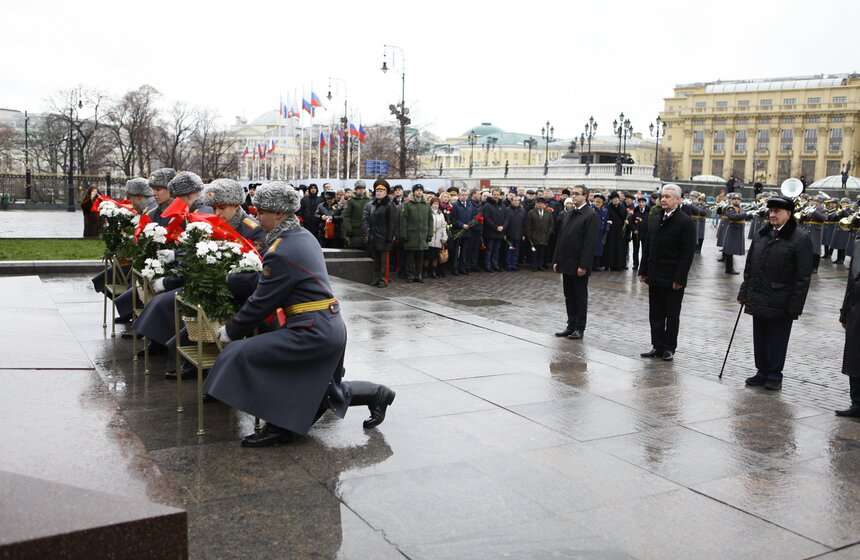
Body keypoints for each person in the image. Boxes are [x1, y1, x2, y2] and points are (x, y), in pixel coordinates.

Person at [204, 182, 396, 447]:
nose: (257, 217)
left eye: (262, 212)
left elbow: (262, 300)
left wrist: (231, 330)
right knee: (321, 391)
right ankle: (376, 394)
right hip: (324, 324)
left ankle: (280, 426)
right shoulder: (300, 236)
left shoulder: (282, 248)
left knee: (240, 353)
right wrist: (234, 281)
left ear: (279, 214)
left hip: (311, 330)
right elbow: (274, 279)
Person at [737, 195, 813, 391]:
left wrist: (795, 305)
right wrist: (744, 291)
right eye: (770, 211)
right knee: (760, 338)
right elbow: (750, 266)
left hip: (781, 299)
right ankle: (761, 371)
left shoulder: (800, 238)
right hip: (758, 295)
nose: (772, 215)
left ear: (788, 213)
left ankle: (774, 374)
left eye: (777, 211)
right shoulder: (762, 234)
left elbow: (803, 276)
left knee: (777, 340)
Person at [638, 184, 697, 361]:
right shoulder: (655, 219)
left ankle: (669, 347)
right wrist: (643, 269)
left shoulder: (685, 222)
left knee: (671, 315)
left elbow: (687, 255)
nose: (663, 199)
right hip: (655, 275)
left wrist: (679, 278)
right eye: (662, 196)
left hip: (672, 278)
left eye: (668, 197)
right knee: (655, 314)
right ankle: (656, 345)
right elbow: (647, 247)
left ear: (678, 200)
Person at [552, 185, 600, 340]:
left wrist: (583, 265)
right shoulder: (569, 213)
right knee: (569, 296)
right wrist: (556, 259)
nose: (573, 196)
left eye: (577, 194)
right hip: (566, 262)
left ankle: (579, 328)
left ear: (585, 196)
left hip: (579, 264)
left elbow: (589, 243)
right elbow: (561, 238)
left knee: (580, 296)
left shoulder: (590, 215)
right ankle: (570, 325)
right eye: (572, 194)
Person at [836, 229, 860, 416]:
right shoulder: (858, 241)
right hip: (856, 309)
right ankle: (857, 403)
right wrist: (844, 312)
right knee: (855, 356)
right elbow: (852, 281)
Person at [363, 180, 399, 288]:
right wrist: (367, 234)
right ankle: (376, 278)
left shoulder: (389, 205)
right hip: (374, 237)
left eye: (381, 191)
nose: (378, 193)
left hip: (384, 238)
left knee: (384, 262)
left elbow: (392, 223)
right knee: (376, 261)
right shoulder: (372, 205)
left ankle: (384, 280)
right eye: (377, 191)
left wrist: (389, 237)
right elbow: (368, 221)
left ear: (386, 193)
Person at [399, 184, 434, 282]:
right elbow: (403, 221)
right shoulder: (408, 205)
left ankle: (418, 275)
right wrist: (403, 234)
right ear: (413, 192)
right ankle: (410, 275)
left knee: (420, 257)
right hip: (411, 236)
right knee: (410, 258)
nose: (419, 192)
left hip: (422, 236)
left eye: (421, 190)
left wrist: (430, 234)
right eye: (417, 190)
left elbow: (430, 221)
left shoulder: (426, 205)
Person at [481, 188, 508, 272]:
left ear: (500, 195)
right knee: (489, 250)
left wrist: (503, 227)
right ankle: (487, 265)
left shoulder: (502, 205)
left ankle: (495, 265)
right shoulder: (487, 205)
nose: (496, 196)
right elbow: (487, 219)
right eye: (494, 194)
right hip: (490, 232)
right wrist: (496, 227)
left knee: (496, 250)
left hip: (500, 232)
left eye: (497, 195)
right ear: (492, 195)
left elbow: (506, 218)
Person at [722, 193, 749, 275]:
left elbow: (744, 217)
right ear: (732, 200)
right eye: (734, 199)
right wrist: (745, 214)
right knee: (729, 250)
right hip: (733, 229)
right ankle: (729, 269)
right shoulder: (731, 208)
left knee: (731, 250)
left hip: (738, 230)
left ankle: (730, 268)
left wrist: (752, 215)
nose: (736, 200)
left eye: (738, 199)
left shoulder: (740, 208)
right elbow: (733, 217)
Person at [526, 196, 554, 271]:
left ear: (545, 205)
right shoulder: (531, 212)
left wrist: (548, 233)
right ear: (536, 204)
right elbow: (528, 225)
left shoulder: (549, 213)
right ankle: (534, 266)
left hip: (544, 236)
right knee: (534, 252)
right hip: (534, 236)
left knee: (542, 253)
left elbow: (551, 224)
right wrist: (529, 235)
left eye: (542, 203)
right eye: (538, 203)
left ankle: (540, 265)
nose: (540, 205)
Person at [343, 180, 371, 249]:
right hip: (354, 230)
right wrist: (348, 228)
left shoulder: (369, 201)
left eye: (363, 188)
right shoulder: (351, 201)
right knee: (354, 250)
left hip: (366, 230)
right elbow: (346, 216)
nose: (361, 190)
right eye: (359, 188)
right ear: (355, 189)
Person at [425, 196, 448, 279]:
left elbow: (443, 226)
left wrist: (444, 237)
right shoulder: (428, 212)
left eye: (437, 204)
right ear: (431, 204)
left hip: (438, 237)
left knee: (435, 256)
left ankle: (433, 271)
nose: (436, 205)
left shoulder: (441, 214)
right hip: (430, 237)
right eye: (434, 203)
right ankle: (425, 271)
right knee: (427, 256)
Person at [505, 195, 526, 271]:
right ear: (511, 201)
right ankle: (508, 265)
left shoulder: (523, 210)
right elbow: (505, 222)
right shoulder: (507, 210)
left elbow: (524, 223)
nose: (516, 202)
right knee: (509, 250)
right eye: (515, 200)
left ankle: (514, 265)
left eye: (518, 200)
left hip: (519, 234)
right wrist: (504, 233)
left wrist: (523, 234)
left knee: (516, 251)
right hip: (509, 234)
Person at [630, 196, 649, 269]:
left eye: (642, 202)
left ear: (645, 203)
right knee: (635, 250)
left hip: (645, 234)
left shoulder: (648, 211)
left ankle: (643, 265)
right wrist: (634, 229)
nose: (641, 203)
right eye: (639, 202)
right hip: (636, 234)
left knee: (644, 250)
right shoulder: (635, 210)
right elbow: (631, 221)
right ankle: (635, 264)